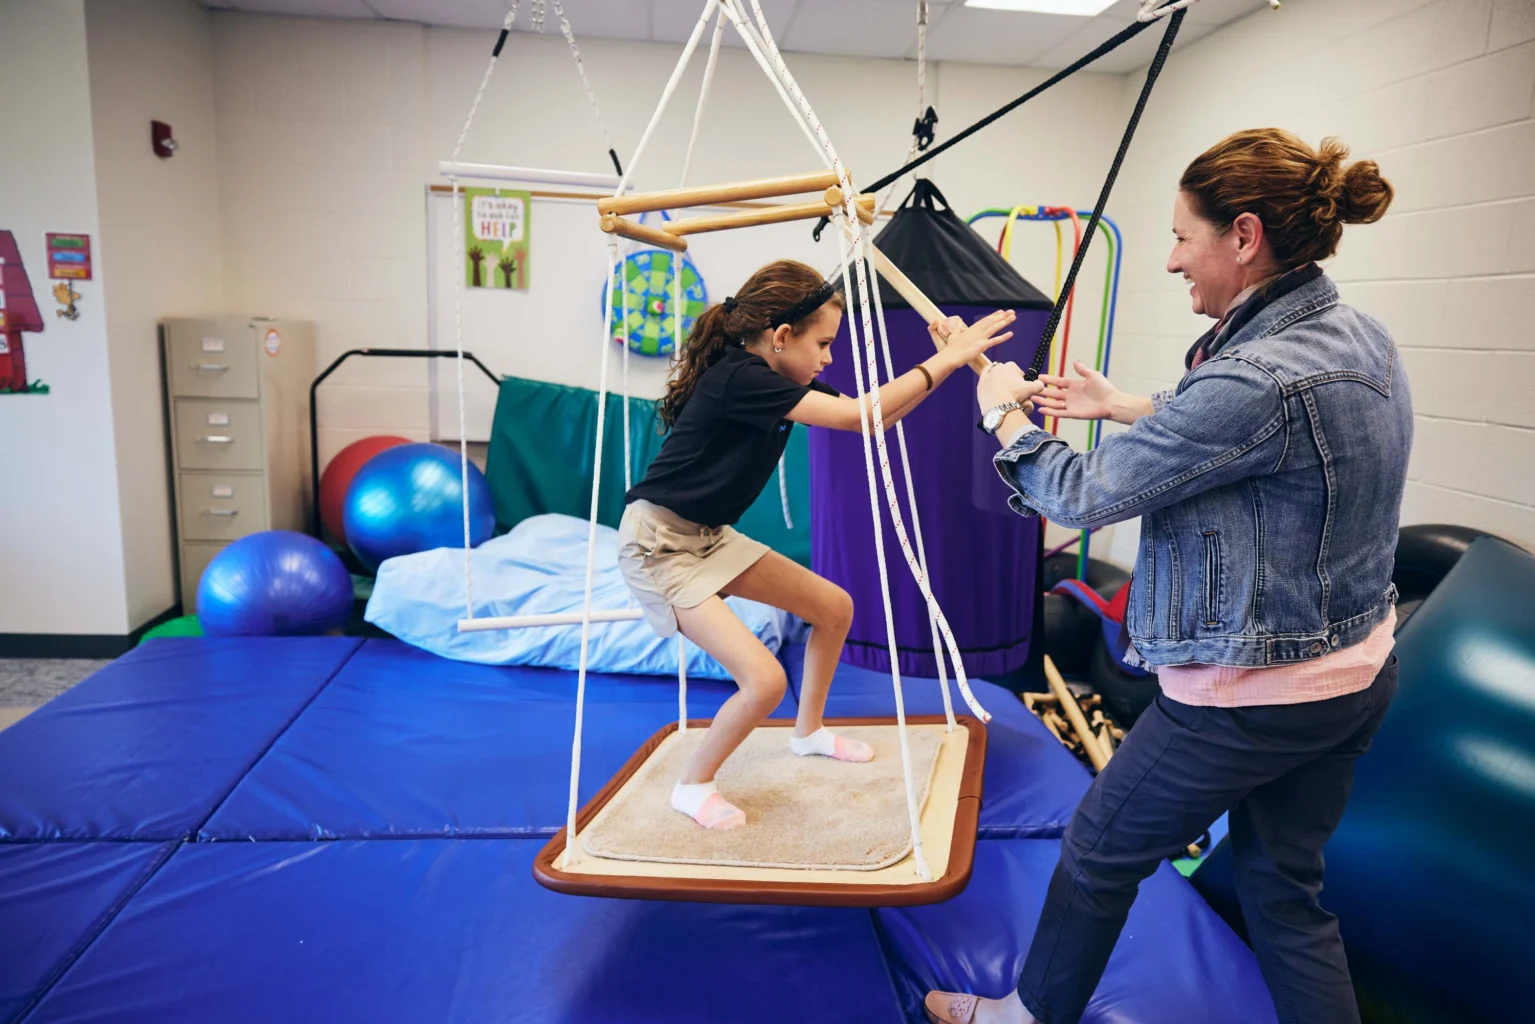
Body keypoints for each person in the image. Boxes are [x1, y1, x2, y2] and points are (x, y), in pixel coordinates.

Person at [923, 129, 1406, 1024]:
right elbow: (1274, 435)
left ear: (1244, 236)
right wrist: (1125, 406)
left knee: (1097, 850)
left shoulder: (1255, 378)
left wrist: (998, 415)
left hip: (1253, 697)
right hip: (1355, 674)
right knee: (1282, 892)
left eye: (1184, 236)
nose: (1172, 258)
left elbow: (1078, 494)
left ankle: (1021, 1020)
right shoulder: (1352, 334)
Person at [619, 259, 1015, 831]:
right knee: (764, 680)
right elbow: (859, 415)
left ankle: (808, 733)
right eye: (823, 344)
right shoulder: (741, 378)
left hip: (708, 537)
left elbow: (874, 419)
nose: (829, 358)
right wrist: (946, 358)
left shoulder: (777, 380)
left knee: (834, 608)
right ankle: (693, 784)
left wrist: (950, 367)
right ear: (781, 337)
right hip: (660, 546)